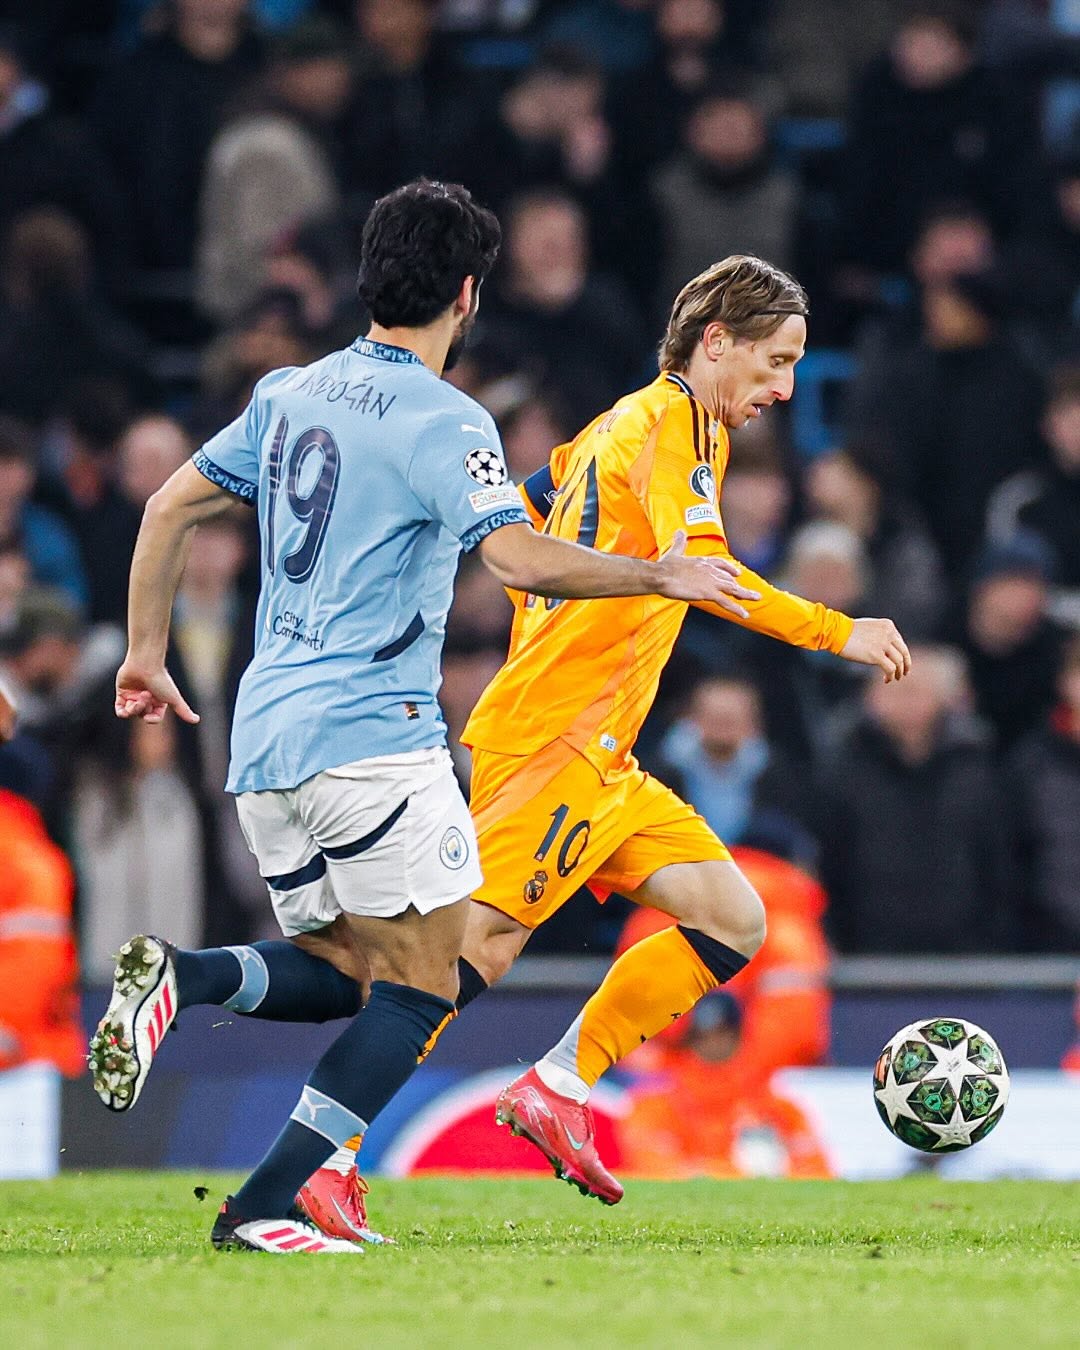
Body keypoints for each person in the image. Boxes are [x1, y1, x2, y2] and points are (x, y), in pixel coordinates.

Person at [87, 179, 749, 1254]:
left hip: (264, 744)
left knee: (351, 971)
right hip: (373, 738)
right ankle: (269, 1205)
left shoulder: (290, 391)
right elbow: (516, 554)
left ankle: (184, 976)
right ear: (469, 294)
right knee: (425, 982)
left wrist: (145, 655)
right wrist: (658, 572)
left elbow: (168, 506)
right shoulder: (450, 420)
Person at [299, 254, 908, 1220]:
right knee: (463, 956)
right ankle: (321, 1152)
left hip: (605, 754)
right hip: (553, 739)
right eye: (776, 361)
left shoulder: (641, 425)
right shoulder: (667, 425)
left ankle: (558, 1088)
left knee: (732, 920)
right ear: (717, 342)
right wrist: (843, 630)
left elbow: (528, 508)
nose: (787, 388)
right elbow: (705, 571)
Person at [616, 991, 833, 1180]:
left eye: (722, 1035)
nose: (712, 1044)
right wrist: (743, 1174)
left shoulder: (775, 1106)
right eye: (701, 1037)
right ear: (688, 1039)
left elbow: (818, 1173)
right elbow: (656, 1170)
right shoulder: (656, 1102)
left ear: (739, 1036)